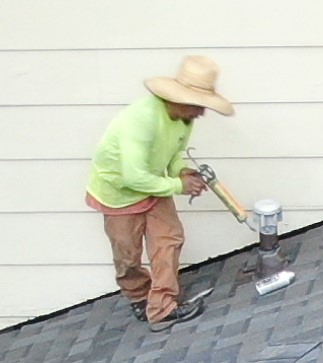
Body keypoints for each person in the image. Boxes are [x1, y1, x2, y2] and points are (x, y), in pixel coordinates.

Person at [87, 58, 233, 326]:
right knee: (127, 255)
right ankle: (139, 296)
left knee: (169, 240)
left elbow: (174, 154)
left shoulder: (183, 121)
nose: (201, 114)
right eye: (198, 106)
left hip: (153, 186)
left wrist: (180, 171)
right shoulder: (141, 119)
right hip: (118, 193)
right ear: (179, 99)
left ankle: (162, 306)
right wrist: (178, 186)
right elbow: (133, 176)